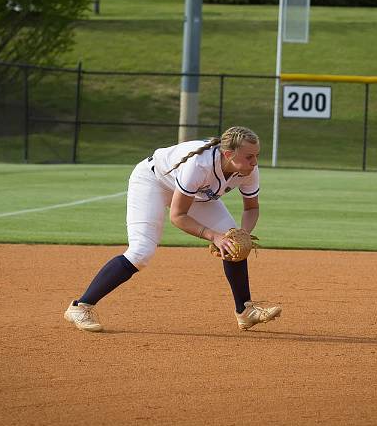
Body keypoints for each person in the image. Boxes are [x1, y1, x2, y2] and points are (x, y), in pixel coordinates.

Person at [64, 126, 282, 332]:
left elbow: (252, 208)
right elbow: (178, 216)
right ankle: (80, 306)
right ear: (228, 155)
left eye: (256, 156)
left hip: (197, 193)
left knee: (234, 241)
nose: (255, 162)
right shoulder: (200, 165)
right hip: (154, 182)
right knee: (141, 253)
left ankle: (245, 311)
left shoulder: (248, 170)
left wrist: (242, 232)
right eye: (249, 156)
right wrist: (213, 236)